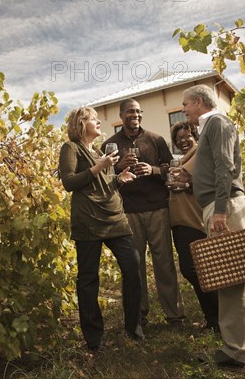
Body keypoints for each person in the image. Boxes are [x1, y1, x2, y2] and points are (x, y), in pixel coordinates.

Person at [182, 84, 245, 367]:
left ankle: (235, 351)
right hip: (221, 205)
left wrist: (219, 209)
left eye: (186, 104)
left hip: (223, 207)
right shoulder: (212, 126)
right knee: (238, 277)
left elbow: (225, 165)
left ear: (200, 102)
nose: (184, 109)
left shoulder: (217, 122)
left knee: (228, 279)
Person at [58, 106, 144, 351]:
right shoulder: (71, 148)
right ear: (81, 123)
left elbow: (103, 182)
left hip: (115, 218)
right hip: (88, 220)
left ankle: (133, 327)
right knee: (88, 279)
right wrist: (99, 166)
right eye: (94, 119)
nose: (99, 122)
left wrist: (119, 178)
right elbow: (69, 182)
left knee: (133, 266)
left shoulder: (97, 150)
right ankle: (94, 338)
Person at [102, 98, 185, 328]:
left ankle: (174, 315)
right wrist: (119, 167)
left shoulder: (155, 139)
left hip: (158, 208)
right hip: (128, 212)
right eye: (130, 112)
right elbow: (104, 178)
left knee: (165, 263)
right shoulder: (110, 145)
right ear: (121, 116)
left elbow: (172, 171)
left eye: (138, 111)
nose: (135, 115)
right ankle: (138, 315)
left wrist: (153, 170)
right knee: (134, 266)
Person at [167, 121, 219, 331]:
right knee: (195, 271)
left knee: (194, 270)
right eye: (178, 139)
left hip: (194, 220)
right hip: (180, 221)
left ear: (195, 136)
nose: (182, 141)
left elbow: (210, 182)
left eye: (187, 136)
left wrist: (186, 186)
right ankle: (213, 319)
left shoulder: (200, 155)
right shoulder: (182, 161)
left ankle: (217, 318)